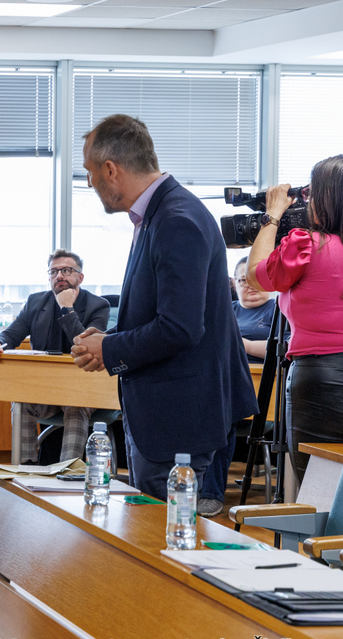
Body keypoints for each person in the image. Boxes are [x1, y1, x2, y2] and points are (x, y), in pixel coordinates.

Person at [71, 114, 257, 501]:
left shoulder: (175, 220)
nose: (89, 183)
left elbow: (179, 328)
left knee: (162, 533)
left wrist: (110, 348)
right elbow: (163, 314)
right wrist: (109, 340)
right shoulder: (161, 213)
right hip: (168, 413)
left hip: (178, 418)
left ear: (111, 169)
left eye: (90, 172)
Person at [247, 154, 343, 483]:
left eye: (310, 193)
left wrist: (272, 217)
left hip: (324, 382)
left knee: (321, 488)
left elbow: (256, 277)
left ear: (325, 199)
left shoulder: (306, 244)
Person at [0, 250, 110, 463]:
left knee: (75, 405)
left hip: (84, 388)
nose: (59, 276)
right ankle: (26, 469)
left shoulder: (98, 305)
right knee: (22, 402)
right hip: (46, 387)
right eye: (53, 272)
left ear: (80, 277)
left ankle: (68, 471)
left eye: (66, 270)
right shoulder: (35, 302)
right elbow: (11, 334)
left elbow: (86, 347)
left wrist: (66, 308)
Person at [198, 256, 285, 517]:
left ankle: (211, 494)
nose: (250, 286)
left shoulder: (279, 310)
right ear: (233, 285)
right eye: (243, 280)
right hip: (216, 384)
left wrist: (242, 344)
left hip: (261, 393)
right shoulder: (224, 311)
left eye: (256, 279)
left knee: (222, 415)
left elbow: (286, 347)